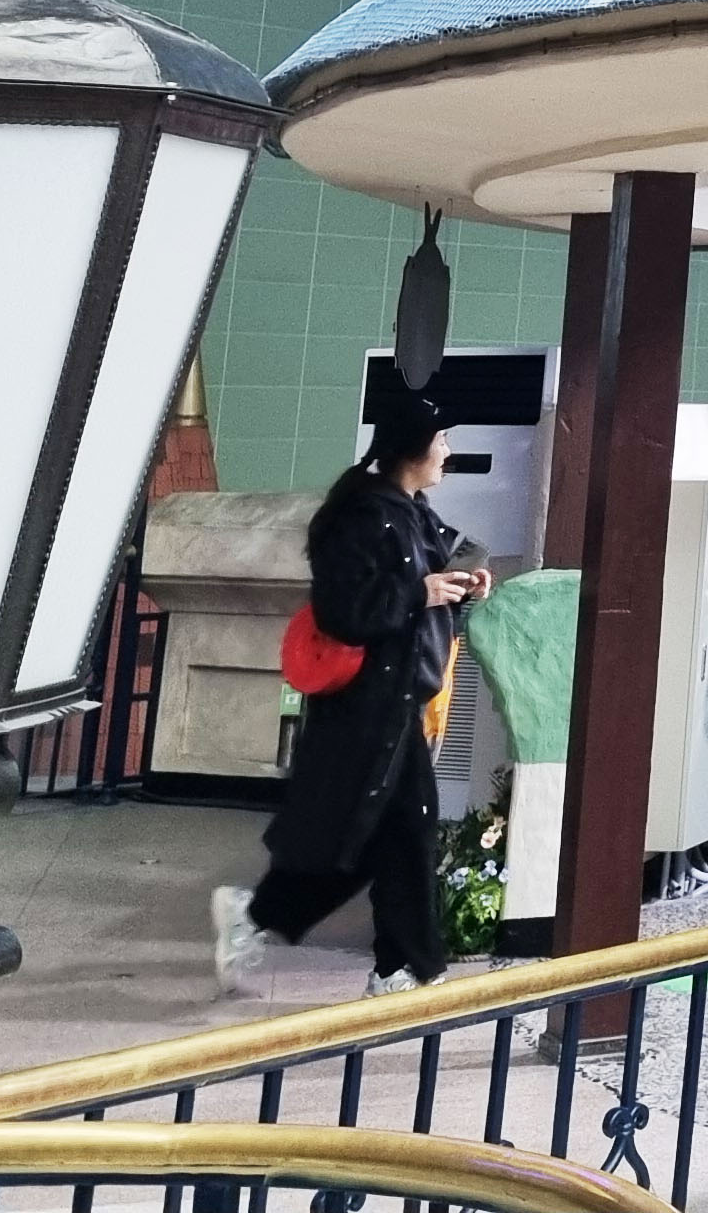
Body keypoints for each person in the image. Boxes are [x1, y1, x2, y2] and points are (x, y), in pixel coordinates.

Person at [212, 399, 491, 997]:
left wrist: (461, 588)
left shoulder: (411, 512)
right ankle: (401, 968)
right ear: (414, 447)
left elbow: (421, 592)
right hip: (367, 705)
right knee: (396, 833)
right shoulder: (364, 516)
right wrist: (419, 591)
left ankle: (268, 919)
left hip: (397, 701)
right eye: (441, 440)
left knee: (381, 837)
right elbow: (345, 611)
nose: (447, 452)